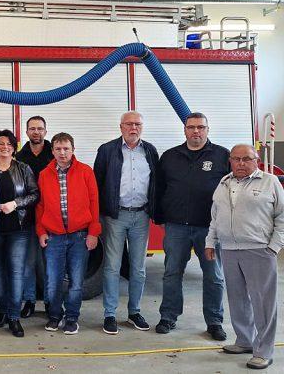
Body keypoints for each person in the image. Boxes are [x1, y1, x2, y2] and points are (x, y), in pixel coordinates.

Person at [205, 144, 283, 370]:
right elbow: (215, 216)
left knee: (263, 303)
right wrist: (211, 242)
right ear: (229, 160)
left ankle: (264, 350)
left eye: (246, 159)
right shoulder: (224, 183)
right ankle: (244, 341)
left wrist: (273, 247)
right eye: (236, 159)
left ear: (256, 160)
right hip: (229, 250)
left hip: (259, 250)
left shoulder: (270, 182)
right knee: (237, 299)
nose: (240, 163)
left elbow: (282, 217)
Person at [154, 112, 229, 341]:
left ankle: (214, 321)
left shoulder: (222, 156)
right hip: (177, 228)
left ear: (208, 130)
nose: (196, 131)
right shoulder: (169, 156)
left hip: (209, 229)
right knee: (171, 273)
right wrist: (159, 216)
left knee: (214, 276)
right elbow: (158, 188)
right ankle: (168, 316)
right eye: (191, 127)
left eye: (201, 127)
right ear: (184, 130)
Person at [93, 111, 158, 335]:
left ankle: (134, 312)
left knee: (138, 269)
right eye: (129, 124)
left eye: (138, 124)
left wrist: (154, 209)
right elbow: (97, 183)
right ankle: (109, 314)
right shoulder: (107, 150)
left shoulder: (149, 151)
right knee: (112, 267)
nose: (133, 128)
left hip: (141, 216)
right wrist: (102, 214)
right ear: (120, 127)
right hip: (115, 217)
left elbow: (156, 182)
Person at [37, 132, 100, 335]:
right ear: (52, 151)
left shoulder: (85, 172)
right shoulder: (44, 174)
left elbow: (94, 203)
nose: (62, 153)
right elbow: (40, 206)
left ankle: (72, 318)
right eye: (58, 149)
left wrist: (93, 232)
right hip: (54, 236)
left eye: (66, 149)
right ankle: (55, 316)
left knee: (75, 282)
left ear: (73, 150)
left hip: (79, 236)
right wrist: (41, 231)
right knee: (53, 282)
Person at [0, 129, 39, 337]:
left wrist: (15, 204)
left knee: (16, 273)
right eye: (1, 143)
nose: (5, 147)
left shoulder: (23, 168)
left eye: (9, 143)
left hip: (18, 230)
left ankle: (14, 318)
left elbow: (34, 194)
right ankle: (2, 312)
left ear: (14, 147)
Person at [15, 115, 53, 318]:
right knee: (28, 263)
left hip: (52, 218)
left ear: (45, 132)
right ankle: (29, 301)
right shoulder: (20, 158)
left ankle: (50, 301)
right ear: (27, 132)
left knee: (50, 262)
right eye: (32, 128)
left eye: (40, 128)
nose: (36, 132)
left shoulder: (54, 154)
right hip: (28, 218)